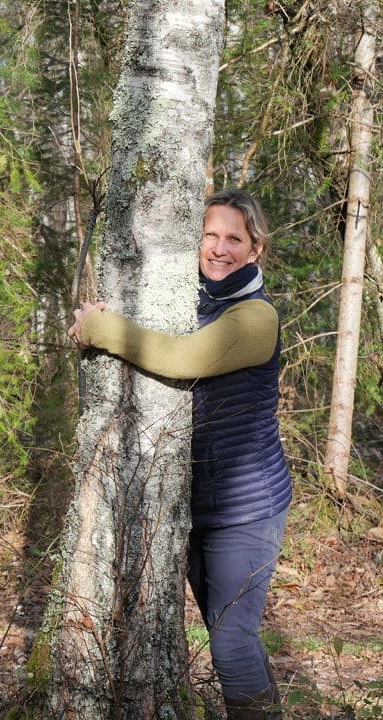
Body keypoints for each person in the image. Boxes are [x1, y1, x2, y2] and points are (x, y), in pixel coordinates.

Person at [68, 189, 292, 720]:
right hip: (193, 502)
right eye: (209, 235)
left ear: (255, 249)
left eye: (234, 238)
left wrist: (102, 328)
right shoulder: (187, 298)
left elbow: (181, 358)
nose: (219, 249)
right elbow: (153, 332)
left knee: (230, 642)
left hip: (246, 505)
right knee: (224, 629)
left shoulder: (256, 317)